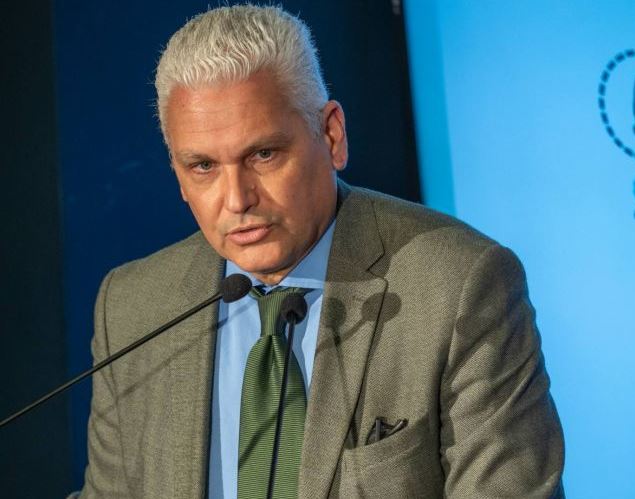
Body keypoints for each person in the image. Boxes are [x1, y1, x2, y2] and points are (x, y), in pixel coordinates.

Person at [78, 5, 564, 498]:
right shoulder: (132, 308)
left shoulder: (459, 286)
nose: (237, 199)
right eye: (203, 166)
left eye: (263, 154)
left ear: (332, 135)